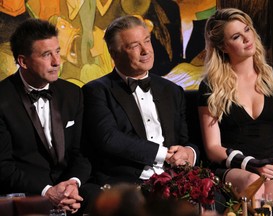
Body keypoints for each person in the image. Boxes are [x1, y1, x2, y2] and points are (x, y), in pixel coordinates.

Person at [82, 15, 199, 186]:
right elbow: (109, 139)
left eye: (147, 41)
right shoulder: (96, 91)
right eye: (134, 46)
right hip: (126, 186)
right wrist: (163, 154)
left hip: (174, 181)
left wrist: (188, 153)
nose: (146, 51)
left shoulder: (172, 90)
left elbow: (186, 139)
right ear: (114, 54)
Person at [0, 18, 98, 214]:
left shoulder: (73, 93)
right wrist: (47, 192)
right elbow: (3, 166)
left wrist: (72, 184)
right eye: (46, 55)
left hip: (70, 190)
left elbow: (82, 152)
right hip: (26, 195)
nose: (57, 61)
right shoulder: (2, 98)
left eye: (57, 51)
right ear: (23, 62)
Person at [198, 8, 273, 203]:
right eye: (237, 36)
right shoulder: (210, 86)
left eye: (247, 30)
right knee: (252, 182)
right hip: (235, 168)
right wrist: (249, 163)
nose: (248, 39)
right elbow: (212, 148)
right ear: (223, 47)